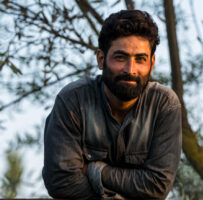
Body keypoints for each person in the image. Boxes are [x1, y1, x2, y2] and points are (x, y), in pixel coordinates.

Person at [43, 9, 182, 200]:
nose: (130, 69)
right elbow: (61, 181)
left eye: (140, 59)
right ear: (101, 59)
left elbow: (157, 186)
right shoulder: (72, 101)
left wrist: (95, 170)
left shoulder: (165, 105)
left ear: (152, 63)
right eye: (120, 57)